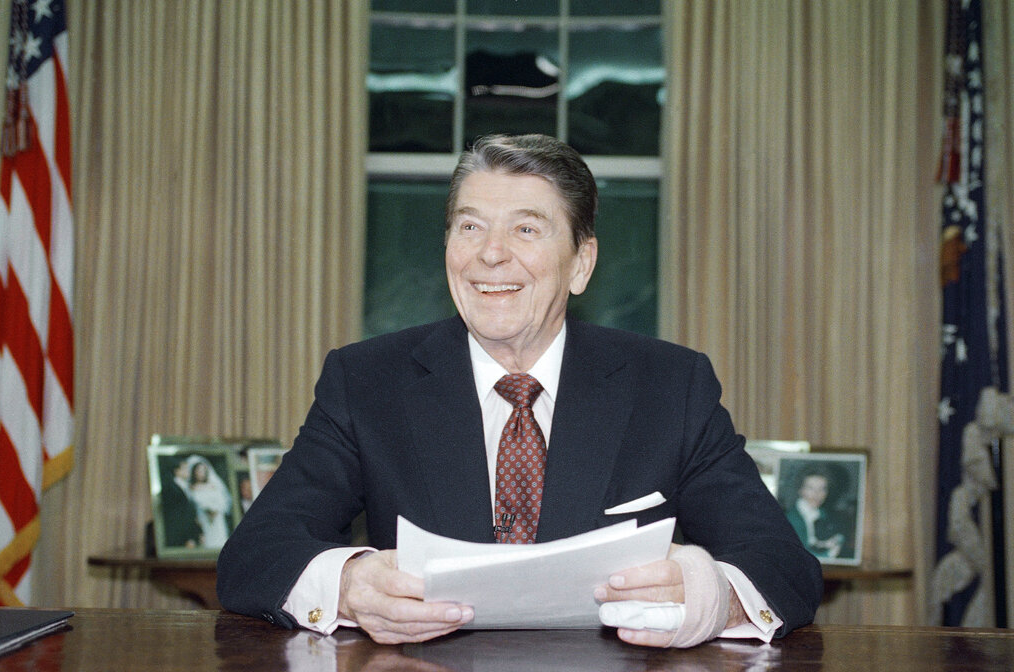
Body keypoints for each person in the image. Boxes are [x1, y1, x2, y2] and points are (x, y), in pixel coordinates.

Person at [217, 134, 822, 648]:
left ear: (581, 264)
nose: (492, 253)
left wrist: (715, 596)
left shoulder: (670, 387)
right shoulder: (367, 380)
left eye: (526, 228)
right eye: (470, 226)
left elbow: (784, 567)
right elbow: (256, 555)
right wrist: (347, 584)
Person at [785, 468, 846, 560]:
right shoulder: (791, 518)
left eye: (822, 489)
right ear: (800, 490)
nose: (817, 494)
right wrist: (829, 554)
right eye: (811, 488)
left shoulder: (823, 513)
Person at [186, 454, 233, 549]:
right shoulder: (191, 488)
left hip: (217, 521)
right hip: (202, 521)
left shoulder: (214, 486)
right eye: (198, 471)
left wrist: (215, 510)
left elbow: (223, 502)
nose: (201, 473)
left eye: (203, 470)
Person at [161, 457, 203, 549]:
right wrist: (187, 538)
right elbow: (178, 518)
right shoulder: (172, 489)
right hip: (180, 538)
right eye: (185, 468)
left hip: (191, 535)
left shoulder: (186, 487)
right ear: (177, 471)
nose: (188, 471)